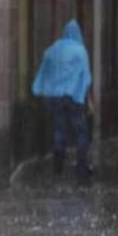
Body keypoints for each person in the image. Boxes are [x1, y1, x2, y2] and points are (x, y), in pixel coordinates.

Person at [31, 19, 94, 185]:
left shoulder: (52, 50)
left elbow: (44, 73)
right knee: (81, 132)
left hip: (54, 98)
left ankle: (57, 166)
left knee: (59, 129)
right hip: (74, 97)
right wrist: (87, 99)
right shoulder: (80, 51)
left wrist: (39, 89)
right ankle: (82, 169)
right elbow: (85, 76)